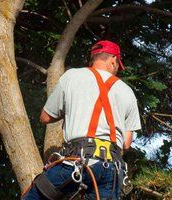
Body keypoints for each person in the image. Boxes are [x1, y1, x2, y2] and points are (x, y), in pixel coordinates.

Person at [23, 40, 141, 200]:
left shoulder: (72, 76)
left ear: (93, 58)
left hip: (76, 162)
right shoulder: (128, 92)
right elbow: (126, 143)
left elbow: (45, 117)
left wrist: (72, 110)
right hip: (111, 172)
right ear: (113, 60)